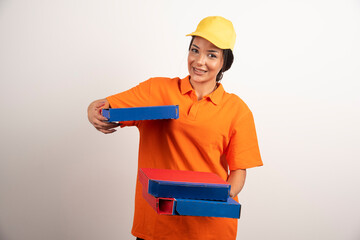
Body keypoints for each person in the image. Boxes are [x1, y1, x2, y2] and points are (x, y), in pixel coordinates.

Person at [88, 16, 263, 240]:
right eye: (195, 50)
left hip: (210, 230)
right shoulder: (155, 91)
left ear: (224, 63)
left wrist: (211, 199)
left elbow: (239, 172)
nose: (200, 61)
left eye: (212, 55)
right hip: (156, 228)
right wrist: (93, 110)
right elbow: (106, 105)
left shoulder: (237, 110)